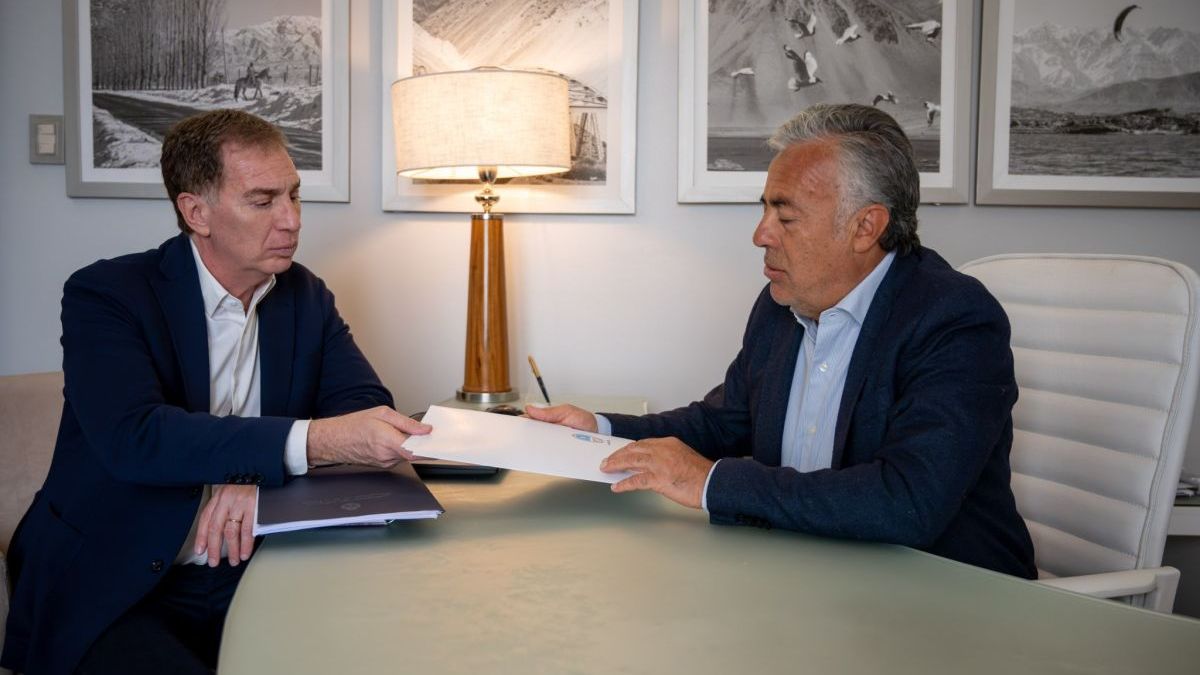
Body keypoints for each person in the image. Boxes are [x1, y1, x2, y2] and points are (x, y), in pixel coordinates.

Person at [1, 109, 429, 675]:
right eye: (263, 200)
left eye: (294, 196)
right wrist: (295, 449)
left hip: (258, 569)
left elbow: (363, 411)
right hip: (115, 578)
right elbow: (137, 438)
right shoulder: (106, 294)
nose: (291, 221)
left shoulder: (304, 295)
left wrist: (259, 483)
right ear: (195, 212)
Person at [528, 103, 1036, 579]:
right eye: (765, 211)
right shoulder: (781, 304)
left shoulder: (954, 319)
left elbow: (907, 501)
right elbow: (722, 422)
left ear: (865, 227)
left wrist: (708, 481)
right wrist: (597, 430)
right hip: (812, 575)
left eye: (786, 217)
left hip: (945, 593)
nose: (761, 234)